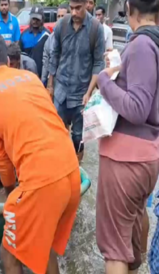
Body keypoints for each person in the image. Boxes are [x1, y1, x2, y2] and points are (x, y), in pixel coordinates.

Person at [0, 32, 81, 274]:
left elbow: (1, 159)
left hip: (43, 179)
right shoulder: (31, 79)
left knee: (8, 254)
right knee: (43, 237)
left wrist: (12, 191)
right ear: (8, 59)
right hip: (71, 173)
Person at [94, 0, 159, 274]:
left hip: (124, 157)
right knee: (134, 225)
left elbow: (137, 108)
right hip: (150, 153)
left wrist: (104, 80)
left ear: (128, 7)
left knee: (114, 246)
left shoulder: (141, 46)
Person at [47, 0, 105, 162]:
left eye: (78, 8)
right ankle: (60, 164)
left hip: (81, 95)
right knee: (57, 130)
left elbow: (98, 63)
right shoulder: (62, 25)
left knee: (78, 136)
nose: (73, 13)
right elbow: (55, 55)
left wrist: (89, 92)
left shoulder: (95, 29)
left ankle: (77, 167)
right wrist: (50, 85)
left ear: (87, 4)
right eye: (71, 8)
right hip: (60, 92)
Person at [42, 4, 69, 85]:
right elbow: (46, 60)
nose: (60, 19)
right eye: (58, 16)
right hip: (54, 82)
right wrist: (43, 80)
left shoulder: (75, 37)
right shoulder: (51, 38)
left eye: (63, 16)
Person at [19, 6, 50, 78]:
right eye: (33, 18)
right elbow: (20, 56)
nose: (35, 21)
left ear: (42, 19)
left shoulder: (47, 35)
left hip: (42, 76)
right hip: (26, 76)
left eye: (37, 19)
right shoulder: (24, 35)